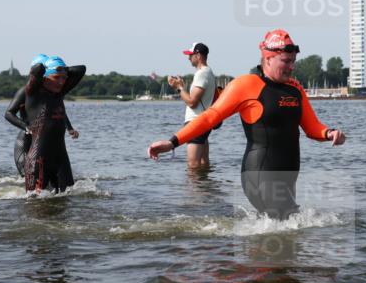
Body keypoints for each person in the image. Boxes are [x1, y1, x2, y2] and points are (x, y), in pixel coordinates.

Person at [148, 29, 346, 219]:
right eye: (286, 61)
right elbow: (209, 118)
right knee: (286, 226)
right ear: (268, 58)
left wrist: (329, 133)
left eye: (293, 61)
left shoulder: (295, 89)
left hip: (288, 174)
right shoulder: (246, 86)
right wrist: (173, 142)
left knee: (282, 234)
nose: (291, 67)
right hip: (259, 172)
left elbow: (312, 126)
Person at [5, 54, 79, 176]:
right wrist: (25, 127)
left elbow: (58, 112)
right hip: (27, 137)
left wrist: (69, 128)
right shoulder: (27, 91)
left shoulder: (52, 92)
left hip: (44, 137)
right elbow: (8, 113)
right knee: (27, 173)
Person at [22, 56, 86, 193]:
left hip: (60, 158)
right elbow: (36, 70)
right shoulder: (32, 93)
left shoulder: (59, 93)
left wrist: (62, 69)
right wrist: (49, 67)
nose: (62, 82)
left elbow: (81, 69)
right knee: (35, 204)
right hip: (38, 159)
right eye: (57, 77)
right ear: (45, 78)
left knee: (67, 197)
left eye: (64, 78)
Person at [167, 42, 216, 169]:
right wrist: (181, 87)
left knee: (193, 165)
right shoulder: (207, 72)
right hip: (203, 121)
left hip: (196, 122)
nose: (188, 58)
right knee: (204, 163)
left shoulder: (202, 73)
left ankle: (193, 189)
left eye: (191, 55)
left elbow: (192, 102)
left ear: (198, 56)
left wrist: (179, 88)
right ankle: (205, 188)